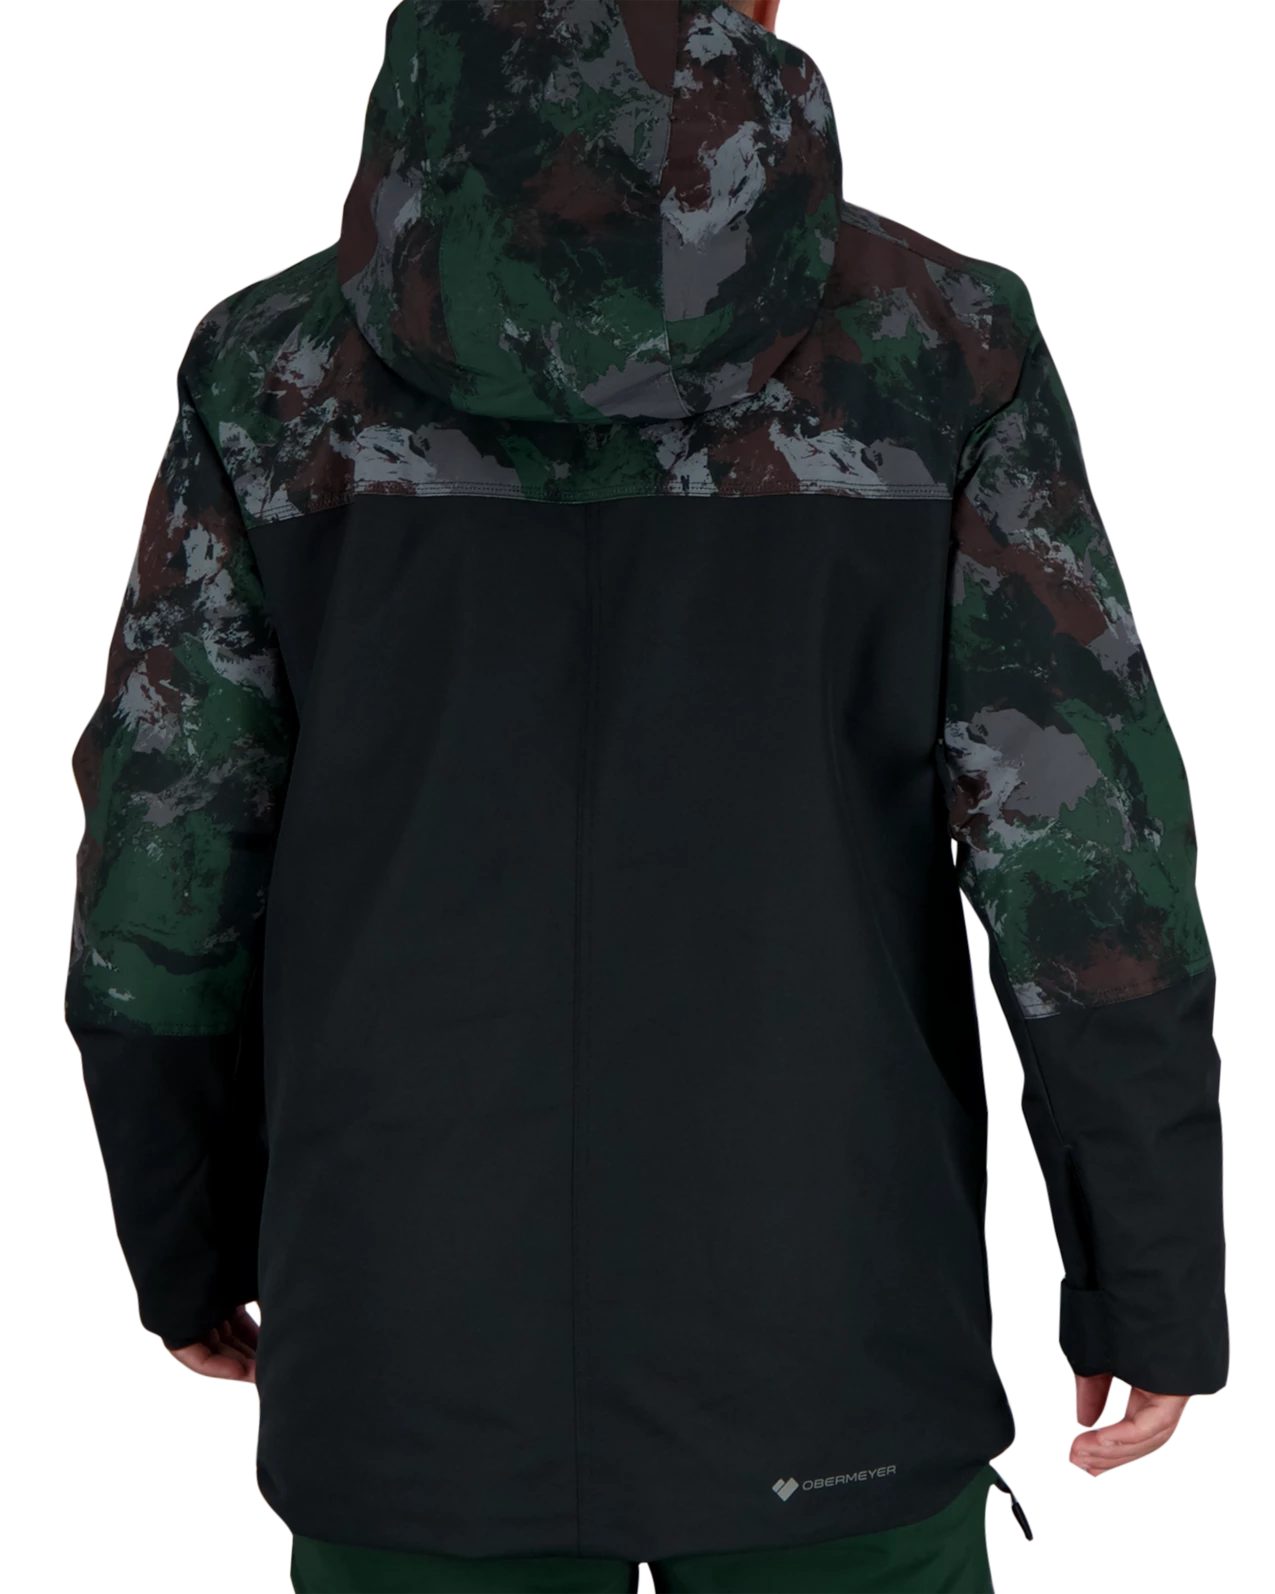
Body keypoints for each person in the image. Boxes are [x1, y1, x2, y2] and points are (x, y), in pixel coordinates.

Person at [64, 2, 1228, 1591]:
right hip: (832, 1336)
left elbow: (164, 853)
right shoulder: (939, 342)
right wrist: (1141, 1275)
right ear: (758, 6)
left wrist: (183, 1237)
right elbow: (1084, 858)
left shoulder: (271, 366)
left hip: (404, 1339)